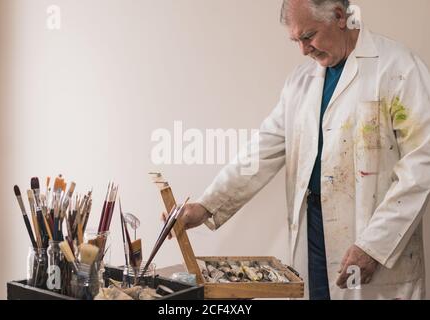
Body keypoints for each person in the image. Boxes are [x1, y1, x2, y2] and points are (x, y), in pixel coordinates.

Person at [169, 0, 430, 299]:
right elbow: (263, 149)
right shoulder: (301, 82)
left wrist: (375, 245)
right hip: (314, 229)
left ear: (339, 16)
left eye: (309, 36)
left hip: (371, 229)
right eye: (297, 40)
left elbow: (421, 165)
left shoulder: (398, 68)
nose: (304, 50)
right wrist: (206, 205)